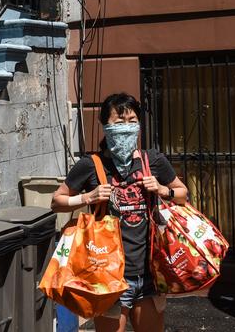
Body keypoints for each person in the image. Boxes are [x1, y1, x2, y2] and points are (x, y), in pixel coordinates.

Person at [51, 92, 188, 332]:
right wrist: (87, 197)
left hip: (148, 274)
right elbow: (57, 201)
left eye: (132, 121)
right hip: (106, 275)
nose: (126, 128)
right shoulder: (90, 165)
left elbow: (182, 194)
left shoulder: (153, 160)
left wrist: (162, 189)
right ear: (105, 126)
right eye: (119, 122)